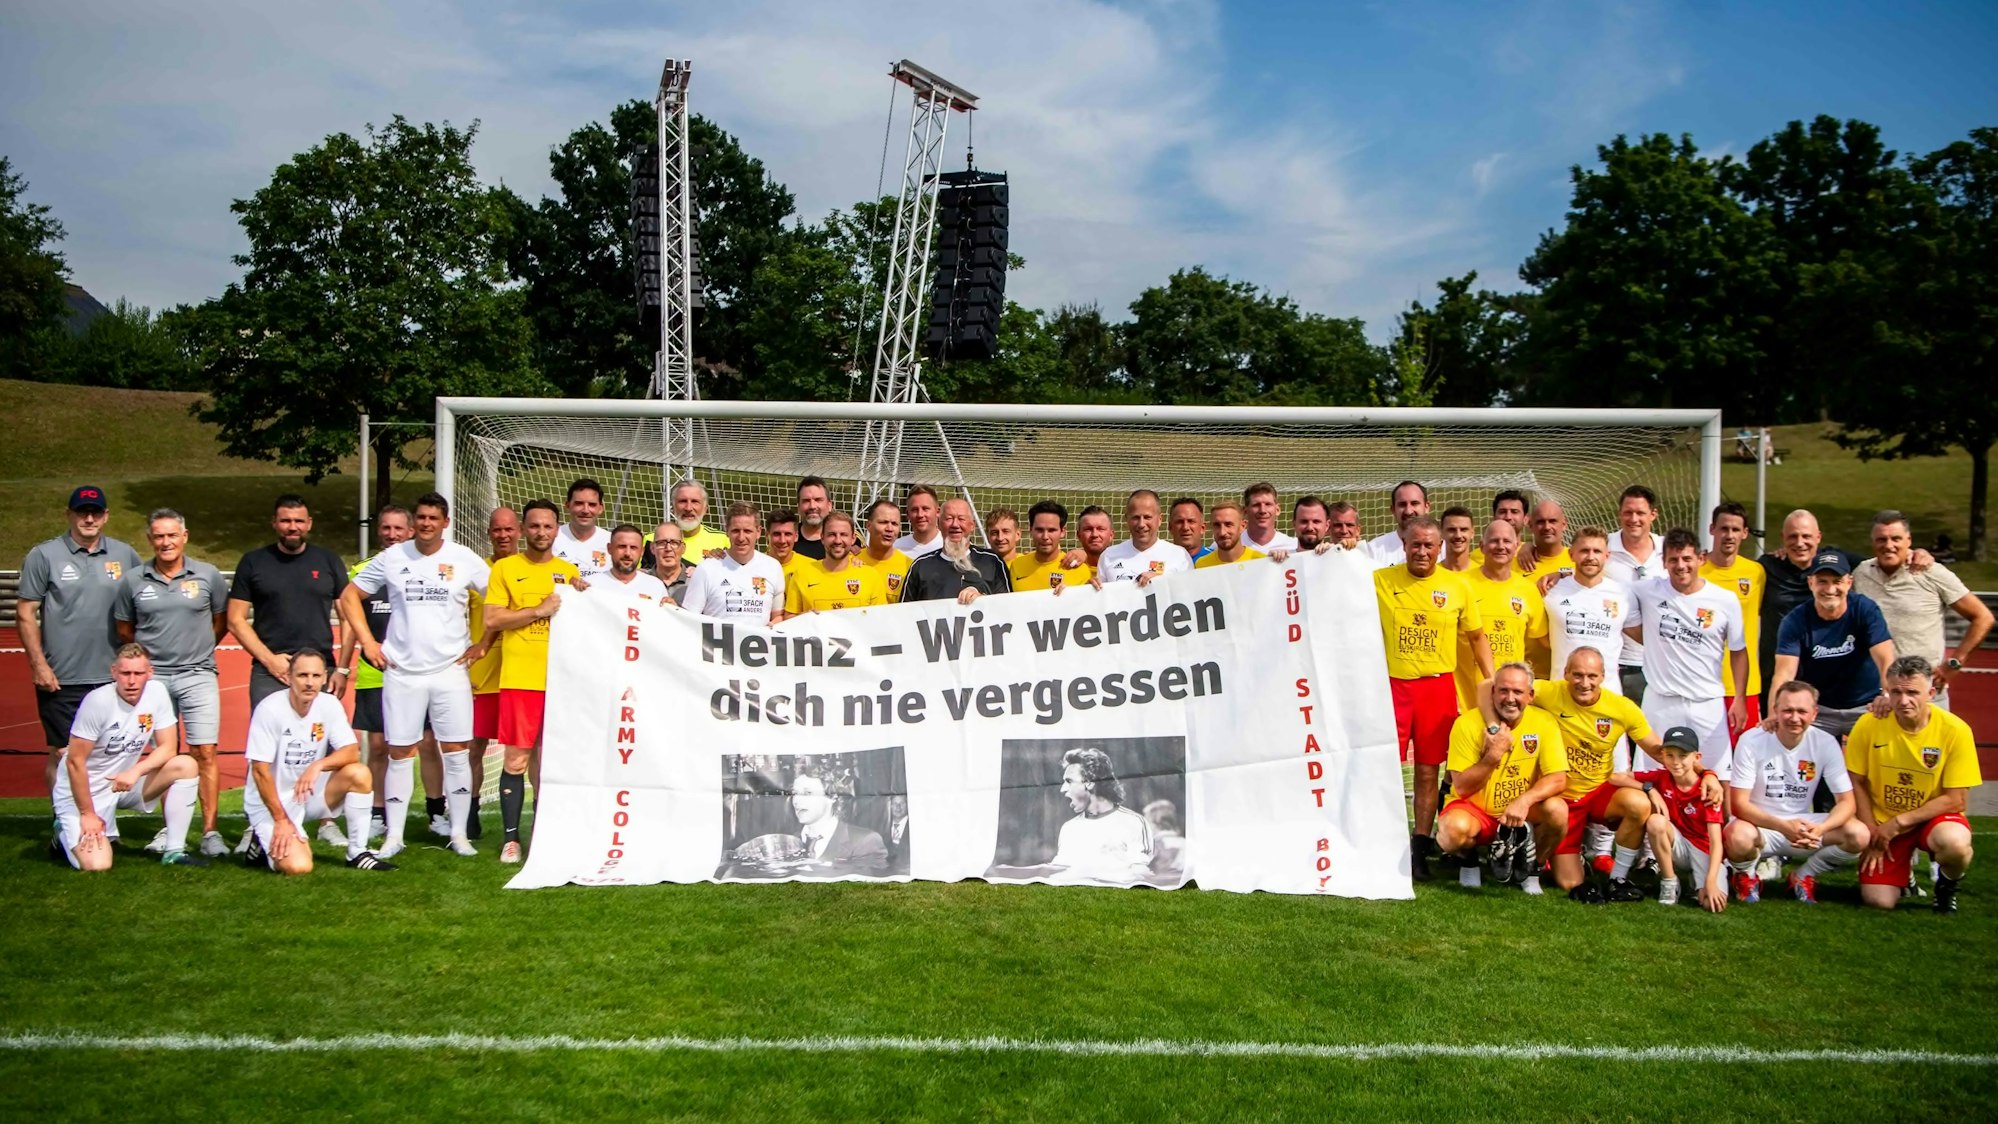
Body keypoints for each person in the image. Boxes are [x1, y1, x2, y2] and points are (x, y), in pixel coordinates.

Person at [340, 491, 491, 859]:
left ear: (446, 523)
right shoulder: (392, 558)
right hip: (402, 671)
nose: (426, 523)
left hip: (450, 670)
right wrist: (368, 643)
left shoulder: (464, 559)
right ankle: (394, 835)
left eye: (433, 518)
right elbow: (347, 597)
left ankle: (458, 833)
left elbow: (496, 598)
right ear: (415, 522)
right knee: (399, 751)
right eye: (421, 517)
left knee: (456, 750)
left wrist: (484, 642)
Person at [1485, 648, 1672, 900]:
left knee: (1638, 804)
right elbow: (1487, 685)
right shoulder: (1549, 692)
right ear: (1565, 674)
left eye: (1592, 676)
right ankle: (1553, 856)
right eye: (1577, 675)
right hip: (1563, 798)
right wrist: (1494, 727)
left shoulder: (1622, 708)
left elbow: (1657, 749)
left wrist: (1702, 772)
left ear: (1603, 677)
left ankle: (1618, 879)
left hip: (1599, 792)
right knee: (1571, 883)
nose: (1584, 683)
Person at [1375, 514, 1492, 879]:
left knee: (1428, 771)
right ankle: (1380, 841)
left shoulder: (1457, 587)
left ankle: (1419, 847)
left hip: (1437, 688)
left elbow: (1476, 636)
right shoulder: (1379, 580)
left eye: (1429, 545)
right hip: (1393, 686)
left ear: (1440, 548)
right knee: (1385, 769)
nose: (1422, 551)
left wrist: (1491, 680)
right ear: (1404, 545)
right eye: (1415, 544)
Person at [114, 508, 229, 858]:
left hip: (198, 675)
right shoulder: (133, 580)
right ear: (150, 540)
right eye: (159, 536)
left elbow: (220, 623)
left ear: (185, 536)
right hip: (155, 680)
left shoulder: (208, 575)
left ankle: (210, 831)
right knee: (163, 754)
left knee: (205, 752)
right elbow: (124, 630)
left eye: (171, 535)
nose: (166, 542)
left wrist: (195, 653)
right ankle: (170, 828)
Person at [20, 484, 144, 790]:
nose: (89, 519)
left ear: (105, 516)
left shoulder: (124, 555)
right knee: (63, 754)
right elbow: (25, 613)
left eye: (95, 512)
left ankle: (99, 826)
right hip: (62, 677)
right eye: (82, 512)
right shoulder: (44, 555)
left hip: (111, 675)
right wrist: (39, 665)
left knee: (106, 755)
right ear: (69, 515)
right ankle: (63, 828)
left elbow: (143, 606)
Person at [480, 499, 580, 864]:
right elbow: (492, 620)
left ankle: (544, 833)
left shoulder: (569, 571)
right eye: (534, 526)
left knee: (549, 761)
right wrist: (537, 611)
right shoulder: (506, 568)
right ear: (523, 530)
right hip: (522, 679)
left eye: (548, 526)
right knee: (517, 759)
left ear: (557, 529)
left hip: (559, 682)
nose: (541, 532)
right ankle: (511, 840)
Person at [51, 643, 204, 870]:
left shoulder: (157, 693)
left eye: (138, 673)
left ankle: (174, 851)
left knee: (186, 765)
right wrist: (87, 814)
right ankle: (62, 831)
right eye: (125, 673)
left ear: (149, 673)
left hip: (121, 784)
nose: (131, 681)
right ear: (114, 672)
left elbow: (168, 747)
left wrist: (135, 772)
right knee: (98, 865)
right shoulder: (97, 701)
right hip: (82, 792)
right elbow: (74, 762)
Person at [1845, 656, 1979, 913]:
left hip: (1933, 819)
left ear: (1931, 693)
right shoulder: (1868, 724)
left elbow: (1956, 799)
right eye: (1896, 692)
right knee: (1878, 901)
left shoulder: (1956, 730)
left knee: (1956, 846)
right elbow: (1857, 781)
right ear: (1886, 691)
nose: (1903, 700)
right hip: (1884, 823)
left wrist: (1899, 823)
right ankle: (1904, 874)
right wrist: (1873, 831)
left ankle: (1947, 886)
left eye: (1912, 692)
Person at [242, 649, 394, 873]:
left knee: (359, 773)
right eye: (302, 676)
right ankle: (262, 838)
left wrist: (318, 766)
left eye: (315, 676)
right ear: (289, 677)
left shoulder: (329, 704)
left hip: (306, 793)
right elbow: (259, 772)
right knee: (299, 866)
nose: (309, 683)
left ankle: (357, 853)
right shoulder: (270, 709)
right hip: (271, 802)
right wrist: (281, 820)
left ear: (324, 677)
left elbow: (351, 751)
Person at [1724, 681, 1864, 904]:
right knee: (1736, 836)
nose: (1794, 718)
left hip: (1803, 827)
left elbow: (1847, 802)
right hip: (1761, 827)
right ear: (1776, 711)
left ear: (1814, 713)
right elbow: (1739, 804)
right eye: (1788, 710)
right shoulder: (1752, 739)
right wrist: (1783, 827)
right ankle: (1747, 875)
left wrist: (1820, 829)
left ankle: (1803, 875)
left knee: (1859, 834)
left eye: (1802, 711)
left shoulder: (1825, 743)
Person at [1625, 528, 1749, 774]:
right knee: (1651, 773)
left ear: (1700, 559)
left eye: (1687, 559)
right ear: (1664, 562)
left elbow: (1738, 650)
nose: (1680, 566)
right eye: (1673, 560)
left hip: (1707, 701)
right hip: (1661, 700)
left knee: (1718, 774)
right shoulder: (1645, 590)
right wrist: (1560, 573)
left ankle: (1720, 815)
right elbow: (1601, 586)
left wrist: (1740, 698)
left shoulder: (1725, 599)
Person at [1436, 663, 1567, 894]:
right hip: (1476, 811)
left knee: (1558, 810)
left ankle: (1531, 868)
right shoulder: (1467, 724)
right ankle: (1469, 861)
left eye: (1517, 692)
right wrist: (1493, 755)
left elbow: (1558, 778)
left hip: (1521, 813)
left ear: (1531, 695)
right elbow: (1462, 787)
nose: (1510, 698)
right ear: (1493, 692)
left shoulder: (1545, 722)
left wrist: (1524, 801)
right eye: (1503, 691)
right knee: (1451, 833)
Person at [341, 506, 425, 843]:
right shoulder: (363, 571)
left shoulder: (422, 568)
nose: (392, 534)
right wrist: (344, 666)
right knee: (377, 746)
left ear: (410, 531)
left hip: (415, 672)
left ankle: (426, 811)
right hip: (374, 671)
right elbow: (350, 624)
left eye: (398, 529)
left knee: (412, 746)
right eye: (386, 528)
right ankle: (377, 811)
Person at [1853, 509, 1991, 712]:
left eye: (1896, 538)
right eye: (1881, 539)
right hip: (1876, 695)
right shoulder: (1861, 574)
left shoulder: (1931, 572)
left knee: (1931, 745)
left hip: (1925, 693)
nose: (1888, 545)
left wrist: (1954, 663)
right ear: (1872, 542)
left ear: (1909, 540)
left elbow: (1983, 617)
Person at [228, 495, 348, 711]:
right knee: (268, 740)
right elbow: (235, 620)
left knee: (322, 739)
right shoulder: (253, 562)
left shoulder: (329, 561)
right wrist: (270, 660)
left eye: (299, 521)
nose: (293, 527)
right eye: (285, 521)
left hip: (320, 668)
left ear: (309, 523)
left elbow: (347, 617)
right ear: (274, 522)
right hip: (269, 671)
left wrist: (343, 669)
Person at [1771, 551, 1895, 741]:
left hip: (1866, 706)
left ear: (1849, 583)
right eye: (1822, 581)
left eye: (1837, 581)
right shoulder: (1795, 620)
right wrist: (1774, 713)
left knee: (1884, 753)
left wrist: (1887, 694)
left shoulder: (1865, 609)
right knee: (1790, 746)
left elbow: (1885, 658)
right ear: (1810, 583)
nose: (1830, 589)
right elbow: (1784, 674)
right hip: (1820, 709)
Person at [1624, 727, 1728, 911]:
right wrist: (1649, 788)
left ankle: (1701, 880)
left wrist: (1711, 882)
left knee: (1711, 904)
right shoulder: (1662, 777)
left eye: (1683, 755)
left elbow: (1716, 842)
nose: (1676, 762)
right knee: (1656, 821)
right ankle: (1670, 881)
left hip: (1703, 849)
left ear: (1697, 757)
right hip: (1678, 844)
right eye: (1670, 755)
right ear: (1662, 755)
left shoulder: (1708, 790)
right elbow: (1615, 777)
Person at [464, 505, 518, 841]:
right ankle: (469, 814)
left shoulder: (531, 570)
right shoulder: (474, 574)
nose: (503, 535)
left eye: (509, 529)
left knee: (524, 752)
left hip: (519, 675)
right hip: (481, 677)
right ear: (489, 533)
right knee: (473, 748)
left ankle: (522, 823)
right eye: (497, 530)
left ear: (520, 532)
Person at [1457, 519, 1546, 711]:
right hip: (1464, 699)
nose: (1500, 546)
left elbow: (1544, 640)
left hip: (1509, 700)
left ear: (1516, 546)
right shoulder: (1460, 584)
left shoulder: (1528, 590)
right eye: (1494, 541)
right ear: (1481, 546)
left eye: (1506, 541)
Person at [1542, 527, 1637, 692]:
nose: (1591, 557)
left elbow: (1640, 634)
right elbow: (1541, 637)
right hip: (1562, 693)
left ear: (1607, 556)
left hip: (1608, 694)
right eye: (1584, 551)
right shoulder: (1551, 590)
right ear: (1571, 554)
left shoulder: (1623, 594)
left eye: (1597, 551)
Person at [1700, 501, 1766, 738]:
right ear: (1712, 530)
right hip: (1703, 684)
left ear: (1745, 533)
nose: (1729, 535)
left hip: (1743, 685)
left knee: (1743, 758)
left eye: (1736, 530)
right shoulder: (1695, 569)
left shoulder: (1756, 572)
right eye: (1723, 528)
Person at [1048, 747, 1156, 883]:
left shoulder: (1134, 822)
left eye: (1069, 781)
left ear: (1090, 782)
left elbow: (1141, 874)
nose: (1062, 789)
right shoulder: (1068, 828)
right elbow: (1059, 872)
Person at [681, 502, 787, 624]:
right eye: (736, 531)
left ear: (758, 532)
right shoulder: (706, 568)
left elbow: (778, 617)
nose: (741, 538)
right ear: (727, 531)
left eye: (747, 531)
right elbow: (688, 619)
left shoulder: (773, 567)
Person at [1606, 486, 1665, 702]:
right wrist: (1558, 573)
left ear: (1653, 515)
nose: (1634, 519)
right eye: (1628, 512)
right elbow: (1572, 564)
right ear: (1619, 514)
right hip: (1618, 663)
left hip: (1663, 662)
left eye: (1640, 513)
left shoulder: (1669, 549)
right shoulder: (1603, 547)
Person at [900, 498, 1012, 604]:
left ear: (972, 525)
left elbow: (1008, 607)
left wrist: (981, 600)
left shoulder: (992, 561)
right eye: (949, 519)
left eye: (961, 519)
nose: (955, 525)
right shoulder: (920, 566)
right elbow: (903, 613)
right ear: (939, 524)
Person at [788, 770, 889, 875]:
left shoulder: (866, 841)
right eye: (795, 793)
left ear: (832, 797)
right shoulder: (789, 842)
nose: (796, 800)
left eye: (808, 793)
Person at [785, 512, 888, 612]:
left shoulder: (870, 576)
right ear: (822, 538)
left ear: (853, 539)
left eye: (843, 534)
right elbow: (789, 618)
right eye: (831, 535)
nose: (838, 541)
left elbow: (881, 620)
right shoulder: (802, 575)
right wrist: (805, 617)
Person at [1098, 490, 1191, 586]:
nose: (1141, 524)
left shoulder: (1179, 555)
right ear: (1127, 519)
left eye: (1147, 517)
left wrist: (1163, 584)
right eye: (1136, 517)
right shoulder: (1108, 556)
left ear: (1159, 519)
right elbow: (1100, 598)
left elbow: (1190, 594)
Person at [1011, 501, 1090, 591]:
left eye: (1051, 530)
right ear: (1031, 530)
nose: (1045, 537)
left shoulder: (1080, 570)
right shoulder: (1017, 565)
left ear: (1062, 532)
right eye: (1039, 530)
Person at [552, 477, 610, 581]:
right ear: (568, 505)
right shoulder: (552, 537)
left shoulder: (611, 541)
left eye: (592, 505)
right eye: (579, 503)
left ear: (600, 508)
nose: (585, 510)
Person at [858, 498, 914, 600]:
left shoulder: (910, 568)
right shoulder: (852, 561)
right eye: (883, 522)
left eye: (894, 524)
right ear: (868, 525)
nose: (889, 529)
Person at [1367, 480, 1430, 566]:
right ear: (1393, 509)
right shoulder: (1374, 549)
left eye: (1414, 503)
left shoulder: (1444, 548)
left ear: (1427, 507)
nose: (1408, 511)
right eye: (1402, 504)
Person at [669, 479, 730, 561]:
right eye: (683, 501)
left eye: (695, 501)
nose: (688, 508)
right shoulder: (652, 540)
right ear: (672, 508)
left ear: (705, 509)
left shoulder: (724, 540)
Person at [1193, 501, 1264, 568]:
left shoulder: (1261, 561)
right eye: (1217, 525)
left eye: (1228, 524)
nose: (1222, 532)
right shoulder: (1201, 565)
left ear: (1243, 526)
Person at [1519, 500, 1574, 579]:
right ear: (1531, 525)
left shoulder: (1577, 559)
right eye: (1540, 522)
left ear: (1564, 524)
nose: (1547, 527)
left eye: (1552, 521)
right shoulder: (1518, 561)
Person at [1243, 482, 1297, 555]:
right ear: (1245, 511)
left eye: (1268, 504)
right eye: (1256, 505)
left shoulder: (1293, 546)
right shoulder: (1234, 546)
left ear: (1277, 510)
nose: (1262, 510)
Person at [765, 508, 811, 595]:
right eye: (776, 534)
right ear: (767, 535)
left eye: (788, 534)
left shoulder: (811, 566)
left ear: (796, 536)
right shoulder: (755, 566)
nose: (782, 540)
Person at [893, 485, 945, 561]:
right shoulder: (896, 548)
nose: (920, 515)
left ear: (938, 512)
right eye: (914, 510)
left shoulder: (950, 546)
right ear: (907, 514)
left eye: (925, 509)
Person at [650, 522, 696, 604]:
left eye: (674, 543)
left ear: (683, 548)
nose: (668, 548)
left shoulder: (697, 582)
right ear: (652, 548)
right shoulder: (642, 580)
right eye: (662, 543)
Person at [793, 476, 832, 560]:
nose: (812, 506)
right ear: (798, 507)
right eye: (806, 501)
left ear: (829, 505)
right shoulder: (787, 539)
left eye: (818, 500)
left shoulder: (846, 539)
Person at [1438, 506, 1477, 572]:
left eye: (1463, 530)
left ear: (1472, 533)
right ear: (1441, 533)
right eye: (1452, 530)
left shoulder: (1484, 574)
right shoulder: (1431, 574)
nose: (1458, 535)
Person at [884, 793, 911, 875]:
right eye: (894, 803)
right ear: (890, 806)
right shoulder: (882, 825)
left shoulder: (914, 826)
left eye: (902, 803)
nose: (898, 807)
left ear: (908, 805)